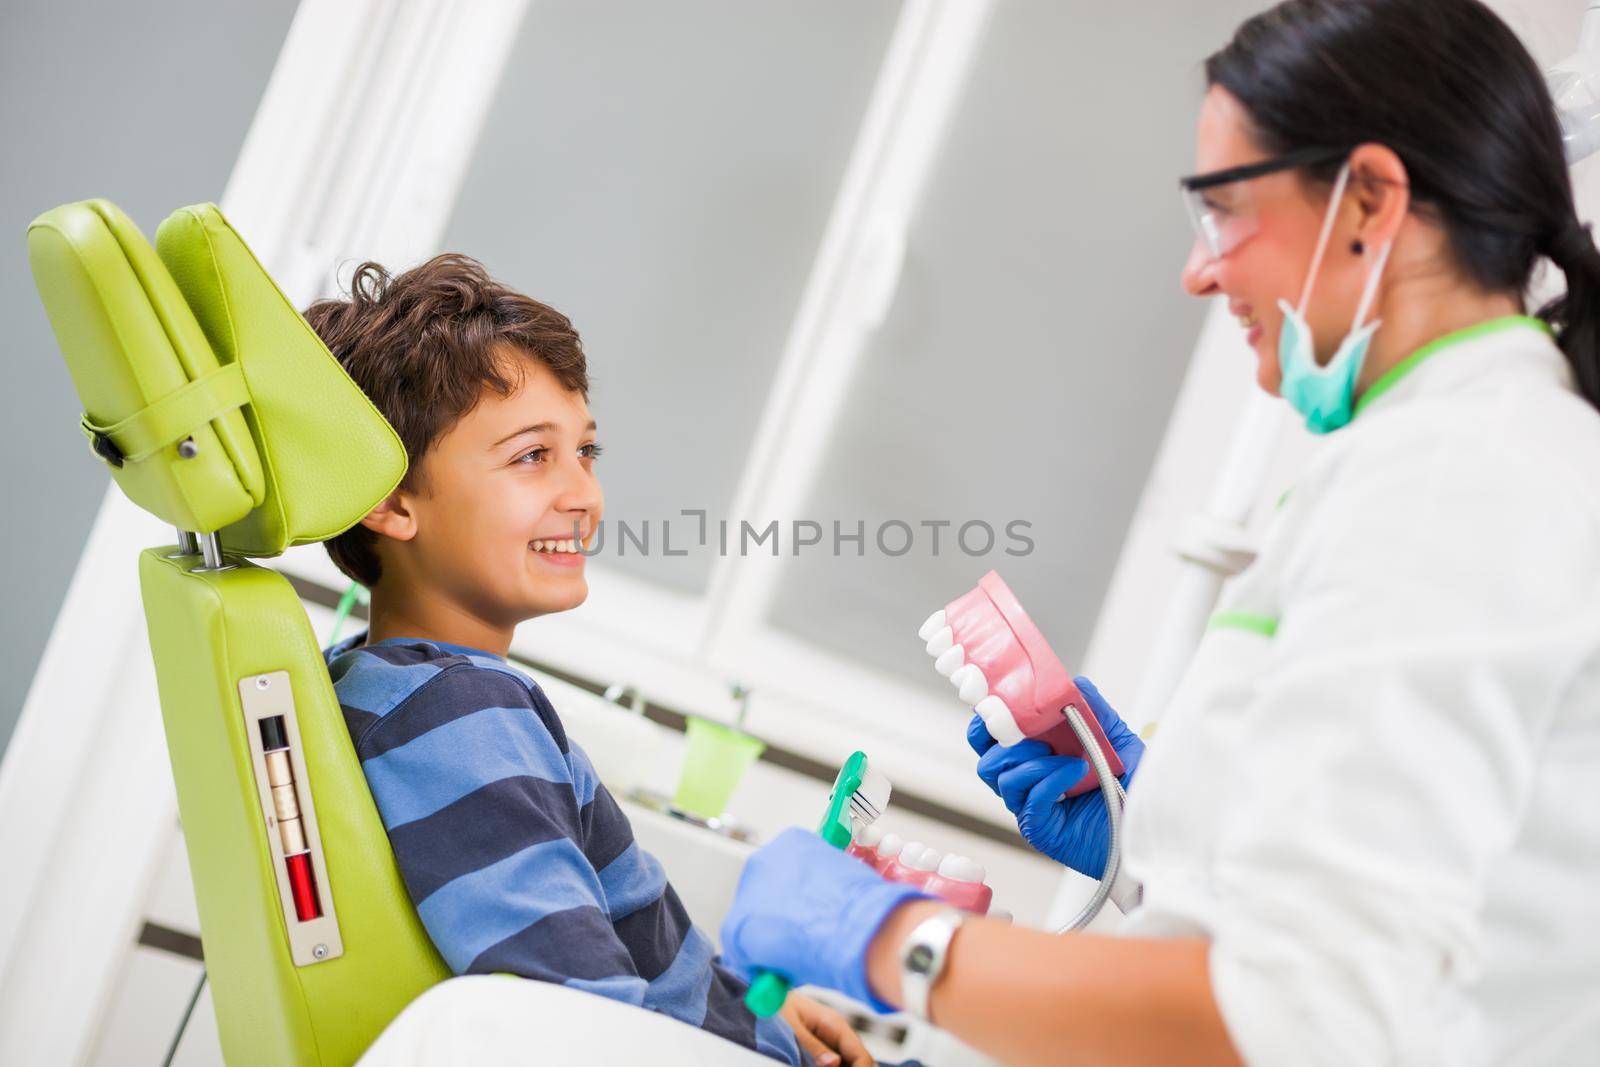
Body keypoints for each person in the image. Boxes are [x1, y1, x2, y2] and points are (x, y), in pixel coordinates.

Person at [717, 1, 1600, 1064]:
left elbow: (1305, 1017)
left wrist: (895, 940)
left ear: (1367, 198)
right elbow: (1381, 909)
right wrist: (1162, 829)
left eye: (1223, 213)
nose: (1199, 270)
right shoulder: (1442, 456)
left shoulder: (1457, 481)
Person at [309, 255, 873, 1067]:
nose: (583, 493)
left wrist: (754, 1015)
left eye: (587, 452)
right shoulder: (462, 711)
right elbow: (581, 1020)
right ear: (393, 500)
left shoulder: (378, 682)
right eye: (533, 455)